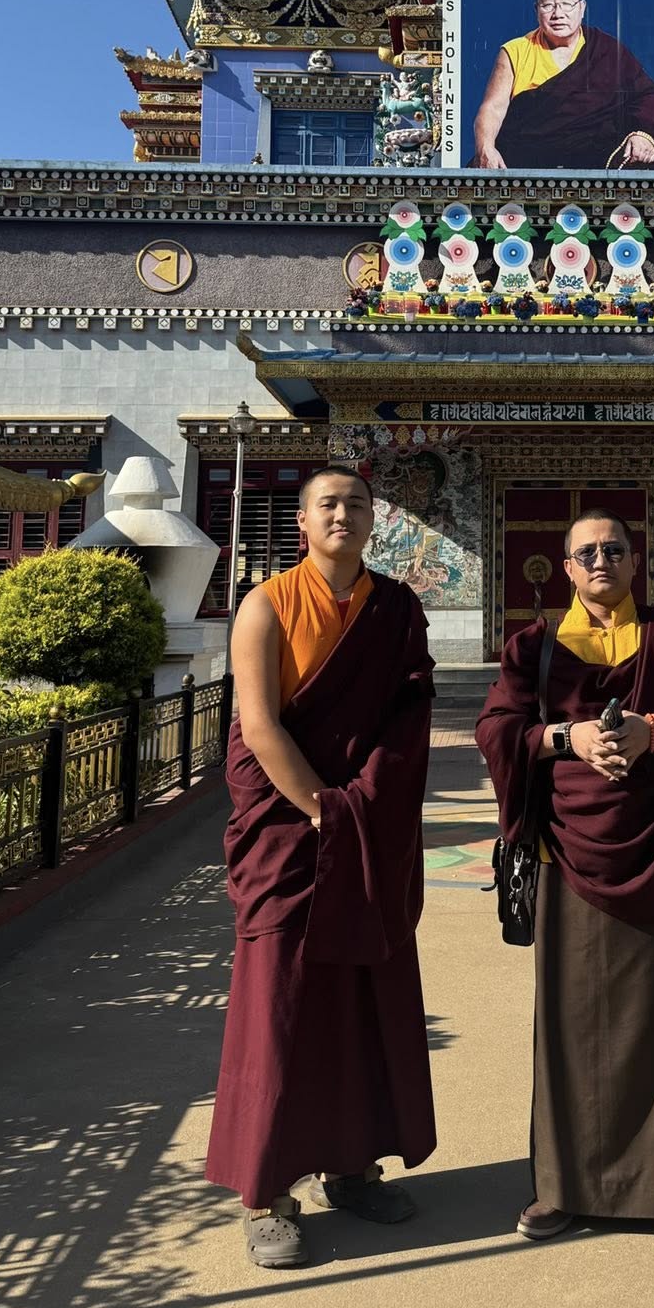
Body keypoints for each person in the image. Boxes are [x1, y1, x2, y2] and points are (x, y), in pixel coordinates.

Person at [475, 510, 654, 1244]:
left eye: (614, 549)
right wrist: (570, 736)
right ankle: (560, 1186)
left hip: (651, 848)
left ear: (635, 560)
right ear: (566, 568)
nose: (601, 560)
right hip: (565, 854)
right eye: (586, 552)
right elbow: (496, 730)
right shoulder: (535, 648)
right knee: (566, 1025)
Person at [205, 464, 437, 1267]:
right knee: (279, 1002)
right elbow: (259, 726)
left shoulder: (397, 608)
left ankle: (353, 1167)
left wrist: (362, 804)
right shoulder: (266, 604)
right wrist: (322, 808)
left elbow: (408, 716)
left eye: (358, 504)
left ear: (375, 521)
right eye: (328, 504)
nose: (344, 514)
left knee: (361, 994)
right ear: (301, 522)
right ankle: (266, 1193)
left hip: (364, 822)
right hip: (290, 826)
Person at [471, 0, 654, 171]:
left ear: (582, 8)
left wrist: (643, 134)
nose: (558, 14)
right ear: (536, 10)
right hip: (528, 159)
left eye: (567, 4)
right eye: (548, 5)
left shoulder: (606, 50)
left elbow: (648, 97)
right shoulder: (516, 51)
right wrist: (485, 147)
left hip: (597, 160)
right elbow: (493, 107)